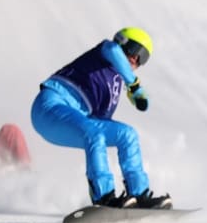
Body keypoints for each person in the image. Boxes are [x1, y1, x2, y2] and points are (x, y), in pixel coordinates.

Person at [30, 27, 171, 209]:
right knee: (94, 132)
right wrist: (134, 85)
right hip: (50, 107)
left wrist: (133, 92)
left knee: (127, 134)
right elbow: (113, 50)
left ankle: (139, 194)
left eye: (143, 58)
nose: (136, 59)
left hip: (77, 118)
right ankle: (103, 196)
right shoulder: (105, 52)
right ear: (123, 42)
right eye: (135, 50)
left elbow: (100, 122)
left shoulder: (115, 86)